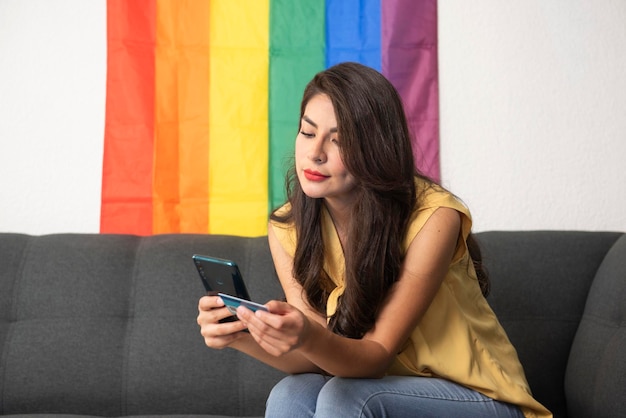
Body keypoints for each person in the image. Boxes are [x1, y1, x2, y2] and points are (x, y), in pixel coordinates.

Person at [197, 62, 551, 418]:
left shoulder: (434, 216)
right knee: (293, 392)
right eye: (308, 132)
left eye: (339, 141)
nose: (316, 152)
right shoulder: (289, 227)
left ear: (377, 148)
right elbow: (318, 358)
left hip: (479, 398)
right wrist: (241, 334)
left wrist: (307, 335)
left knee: (347, 398)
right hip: (375, 390)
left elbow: (377, 354)